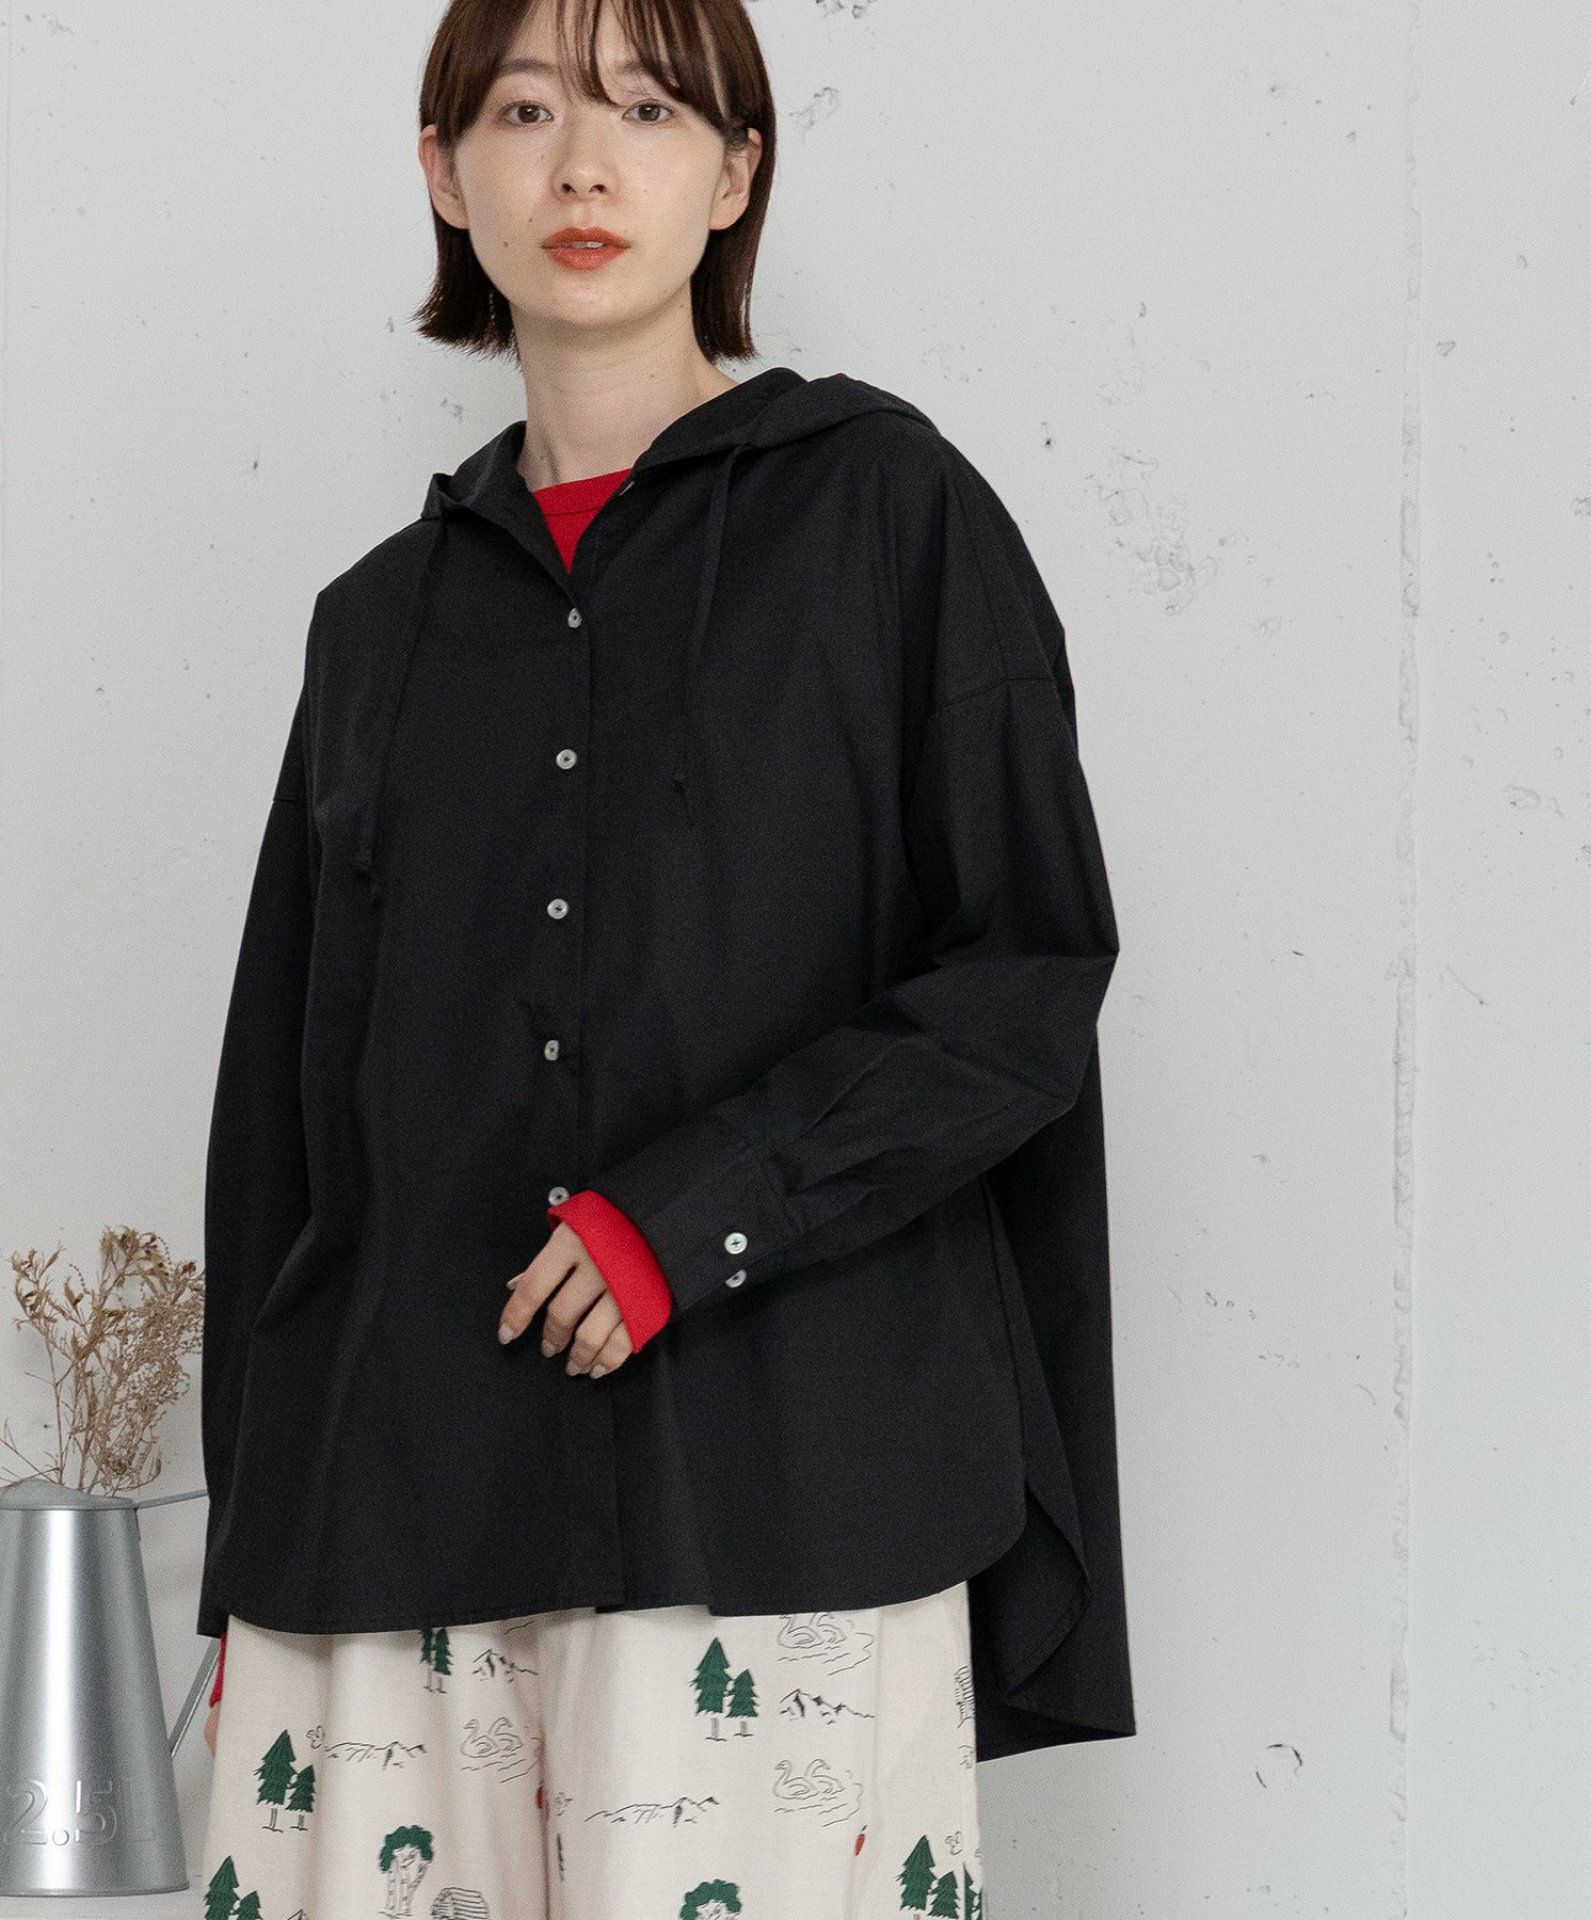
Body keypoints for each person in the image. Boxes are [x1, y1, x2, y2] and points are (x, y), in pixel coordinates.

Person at [195, 0, 1135, 1912]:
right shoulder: (375, 626)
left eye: (647, 107)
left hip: (777, 1513)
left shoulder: (889, 515)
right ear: (446, 174)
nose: (583, 163)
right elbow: (282, 1128)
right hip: (389, 1543)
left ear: (734, 175)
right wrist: (248, 1562)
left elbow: (1025, 977)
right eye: (523, 110)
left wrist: (693, 1216)